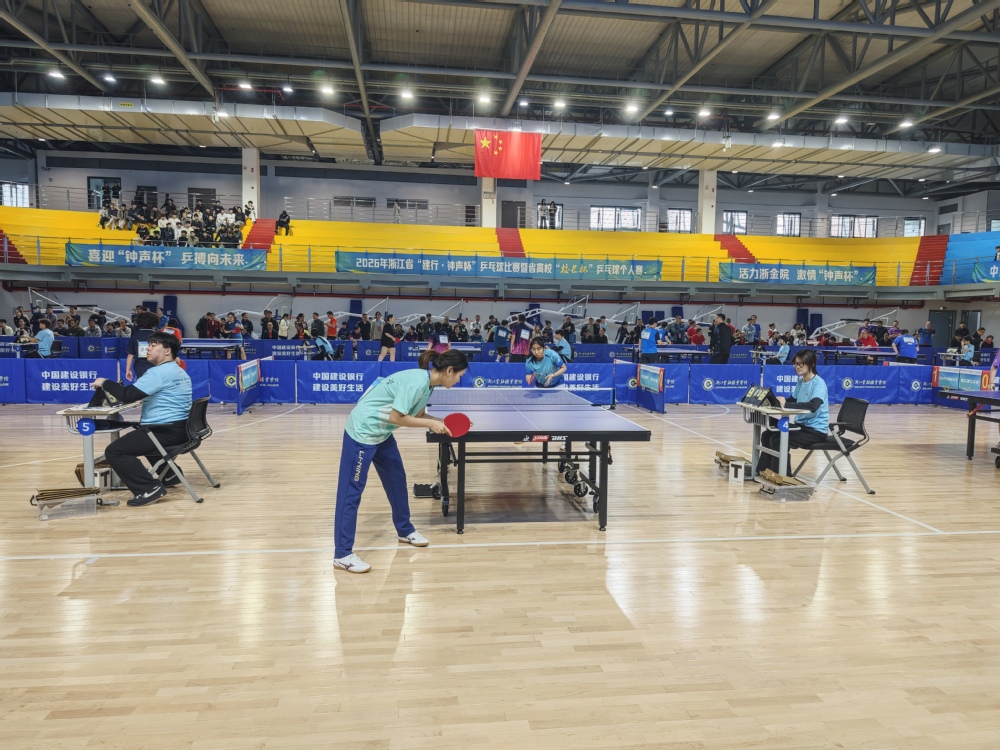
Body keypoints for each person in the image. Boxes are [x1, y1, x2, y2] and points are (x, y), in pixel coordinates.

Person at [333, 349, 468, 573]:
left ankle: (405, 530)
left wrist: (442, 422)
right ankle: (342, 554)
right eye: (459, 376)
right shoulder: (416, 383)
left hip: (382, 433)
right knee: (351, 491)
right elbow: (396, 417)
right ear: (449, 370)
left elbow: (419, 415)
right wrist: (430, 424)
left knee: (396, 479)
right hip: (363, 433)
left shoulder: (429, 385)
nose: (458, 380)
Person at [91, 332, 192, 507]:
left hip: (164, 431)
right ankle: (169, 475)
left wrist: (105, 382)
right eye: (148, 345)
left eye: (153, 345)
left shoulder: (158, 373)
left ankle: (149, 488)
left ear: (167, 351)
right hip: (182, 430)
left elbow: (127, 394)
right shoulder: (177, 370)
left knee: (115, 451)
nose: (148, 349)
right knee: (141, 435)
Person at [758, 349, 829, 476]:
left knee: (777, 439)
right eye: (796, 363)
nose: (797, 366)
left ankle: (782, 477)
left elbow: (813, 405)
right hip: (801, 426)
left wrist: (786, 404)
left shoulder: (819, 383)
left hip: (815, 431)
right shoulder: (801, 382)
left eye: (801, 363)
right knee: (767, 435)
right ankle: (762, 471)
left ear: (811, 364)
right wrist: (776, 401)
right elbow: (792, 400)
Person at [126, 311, 161, 382]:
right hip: (157, 366)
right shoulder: (159, 336)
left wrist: (128, 370)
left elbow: (130, 355)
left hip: (140, 367)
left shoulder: (135, 337)